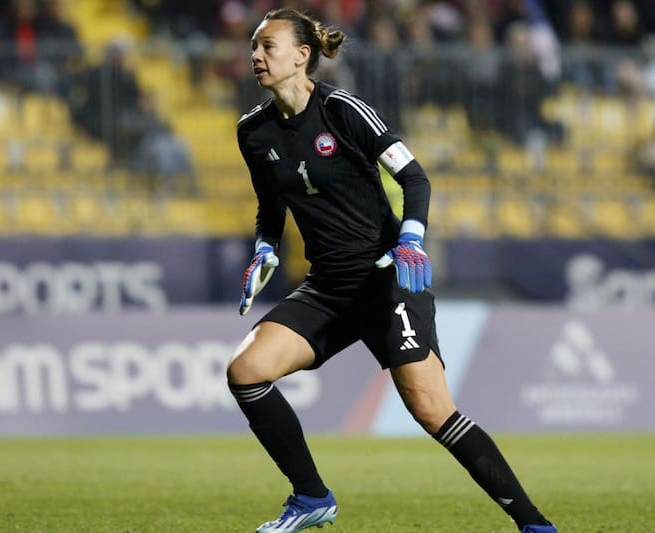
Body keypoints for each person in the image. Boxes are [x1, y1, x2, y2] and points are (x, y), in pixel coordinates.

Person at [228, 8, 558, 533]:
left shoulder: (345, 111)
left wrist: (411, 237)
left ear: (302, 55)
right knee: (245, 372)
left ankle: (534, 523)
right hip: (328, 287)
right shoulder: (253, 131)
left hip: (386, 280)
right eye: (254, 47)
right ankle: (311, 497)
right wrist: (265, 248)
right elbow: (272, 207)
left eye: (268, 46)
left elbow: (416, 178)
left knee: (433, 412)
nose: (256, 56)